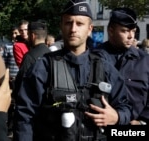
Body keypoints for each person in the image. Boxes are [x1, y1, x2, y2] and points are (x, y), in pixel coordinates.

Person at [13, 1, 131, 141]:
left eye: (79, 24)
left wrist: (117, 116)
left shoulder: (105, 68)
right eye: (69, 23)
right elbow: (24, 117)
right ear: (61, 26)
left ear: (89, 29)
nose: (73, 29)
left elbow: (126, 107)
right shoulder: (43, 68)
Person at [95, 7, 149, 125]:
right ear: (111, 30)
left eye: (133, 31)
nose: (131, 36)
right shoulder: (94, 57)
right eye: (125, 31)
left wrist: (141, 122)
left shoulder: (145, 61)